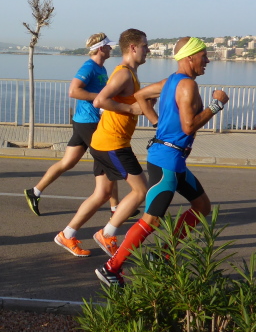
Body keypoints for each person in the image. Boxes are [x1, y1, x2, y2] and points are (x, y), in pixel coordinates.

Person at [95, 37, 228, 287]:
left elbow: (140, 95)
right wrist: (216, 105)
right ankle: (111, 268)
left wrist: (157, 122)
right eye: (204, 56)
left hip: (174, 160)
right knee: (151, 219)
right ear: (190, 57)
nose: (208, 60)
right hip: (167, 161)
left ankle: (163, 255)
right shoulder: (187, 85)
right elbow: (188, 126)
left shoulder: (171, 81)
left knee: (202, 206)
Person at [54, 28, 150, 257]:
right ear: (133, 48)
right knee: (141, 190)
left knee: (103, 193)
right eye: (145, 46)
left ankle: (66, 235)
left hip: (104, 140)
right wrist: (130, 109)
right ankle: (107, 234)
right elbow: (99, 100)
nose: (148, 50)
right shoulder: (123, 73)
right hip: (112, 143)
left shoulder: (128, 73)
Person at [24, 33, 139, 221]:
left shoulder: (101, 68)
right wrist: (101, 99)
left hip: (84, 120)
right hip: (88, 121)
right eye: (108, 46)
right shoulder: (89, 67)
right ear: (100, 48)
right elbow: (73, 91)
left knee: (68, 162)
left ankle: (34, 192)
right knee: (107, 162)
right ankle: (115, 207)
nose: (111, 49)